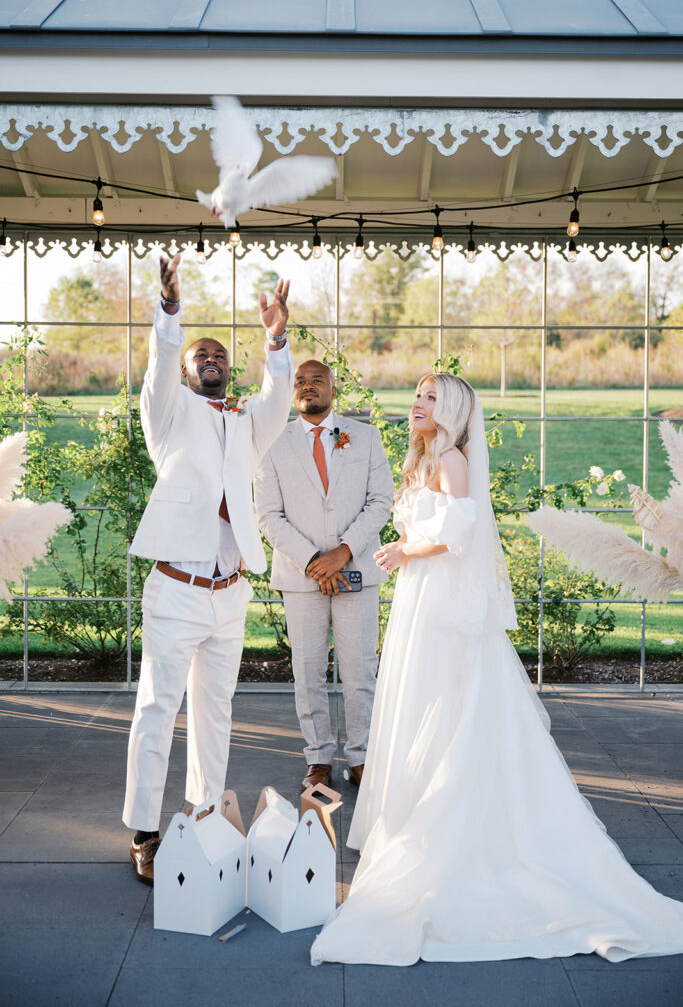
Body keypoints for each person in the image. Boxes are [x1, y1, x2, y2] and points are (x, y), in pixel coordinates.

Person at [310, 372, 683, 966]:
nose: (419, 403)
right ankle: (411, 811)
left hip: (441, 596)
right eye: (419, 395)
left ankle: (452, 820)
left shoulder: (454, 461)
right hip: (419, 595)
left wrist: (407, 550)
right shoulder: (424, 459)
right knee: (415, 697)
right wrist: (406, 550)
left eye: (431, 398)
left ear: (452, 410)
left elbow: (461, 534)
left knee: (449, 703)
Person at [123, 253, 293, 884]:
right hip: (175, 589)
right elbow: (162, 366)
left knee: (215, 714)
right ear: (190, 370)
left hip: (230, 592)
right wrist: (170, 312)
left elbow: (278, 397)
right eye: (203, 355)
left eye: (222, 354)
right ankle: (143, 831)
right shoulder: (168, 416)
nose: (214, 360)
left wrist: (276, 338)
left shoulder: (248, 422)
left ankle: (203, 818)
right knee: (157, 709)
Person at [254, 360, 393, 791]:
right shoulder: (271, 444)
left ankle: (361, 756)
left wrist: (344, 553)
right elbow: (267, 515)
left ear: (334, 388)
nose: (307, 386)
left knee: (360, 670)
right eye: (299, 381)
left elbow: (380, 501)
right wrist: (316, 560)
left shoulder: (365, 437)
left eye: (317, 380)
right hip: (302, 577)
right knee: (308, 670)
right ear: (293, 392)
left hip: (356, 574)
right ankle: (317, 758)